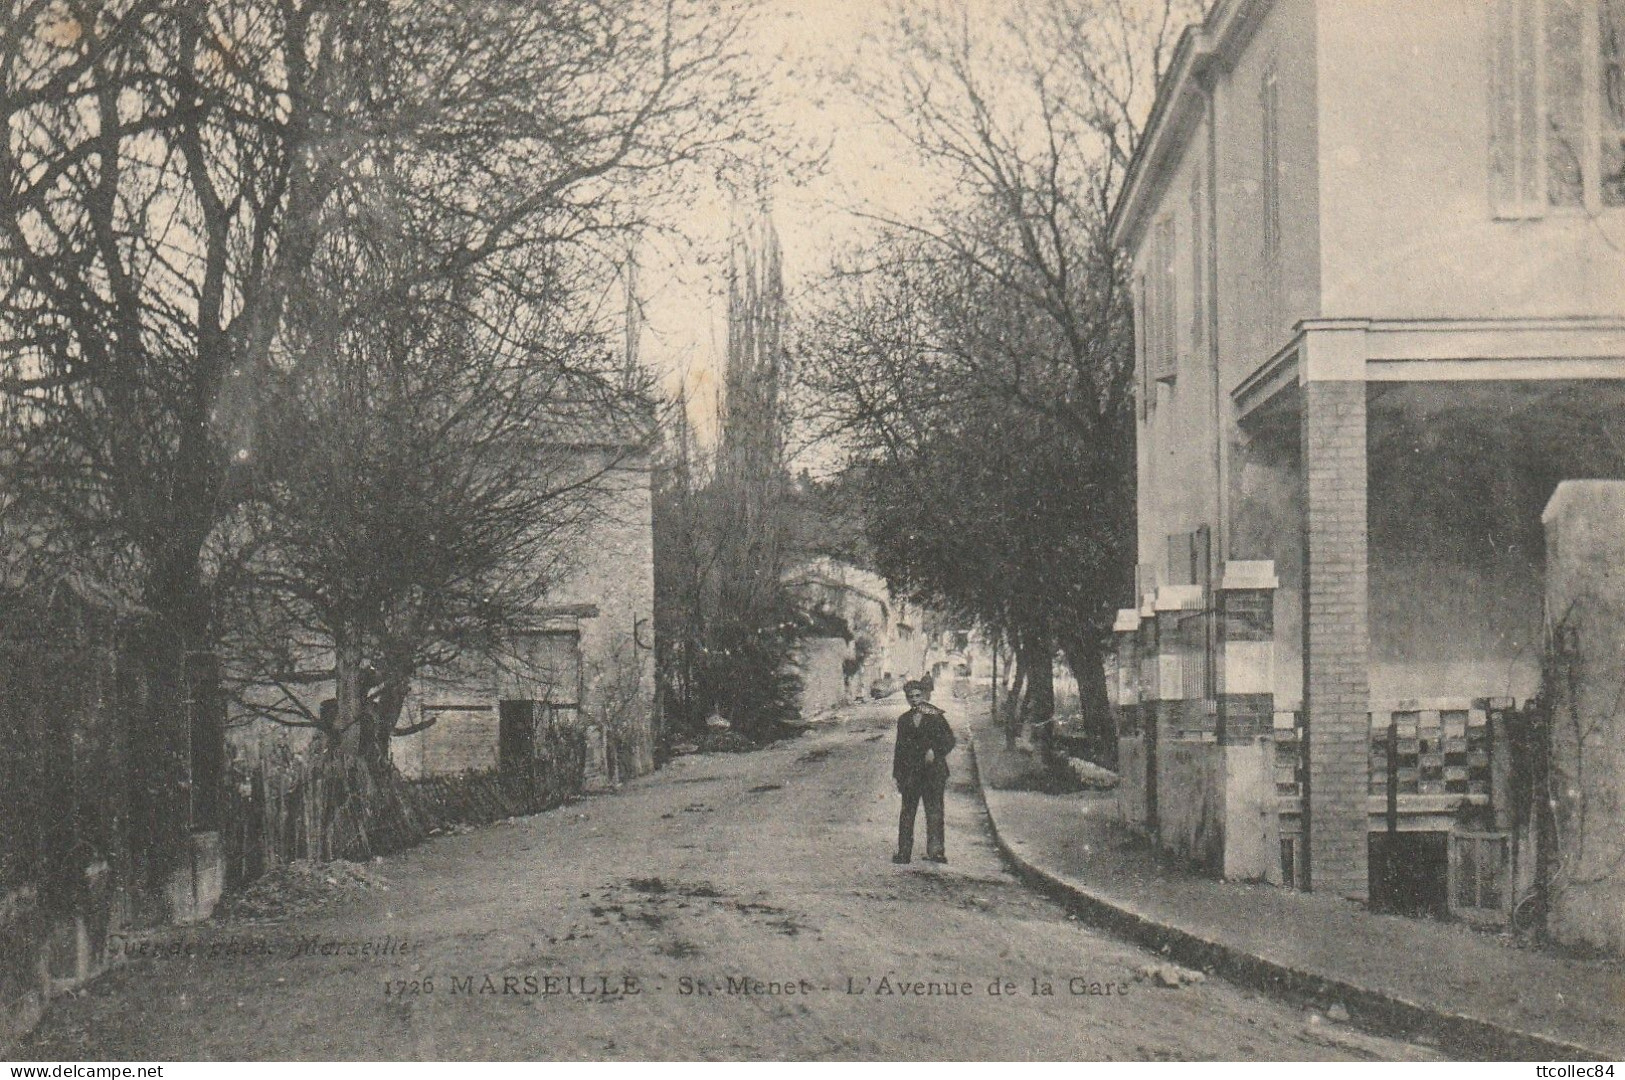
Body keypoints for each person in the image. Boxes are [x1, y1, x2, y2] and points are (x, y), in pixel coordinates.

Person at [891, 678, 956, 864]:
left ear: (925, 696)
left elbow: (950, 740)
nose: (914, 699)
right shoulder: (903, 720)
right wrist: (898, 775)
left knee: (934, 812)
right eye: (910, 696)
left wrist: (935, 751)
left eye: (918, 695)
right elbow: (899, 749)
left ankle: (936, 852)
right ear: (907, 698)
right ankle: (904, 853)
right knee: (907, 813)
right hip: (911, 775)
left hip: (933, 773)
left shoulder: (936, 716)